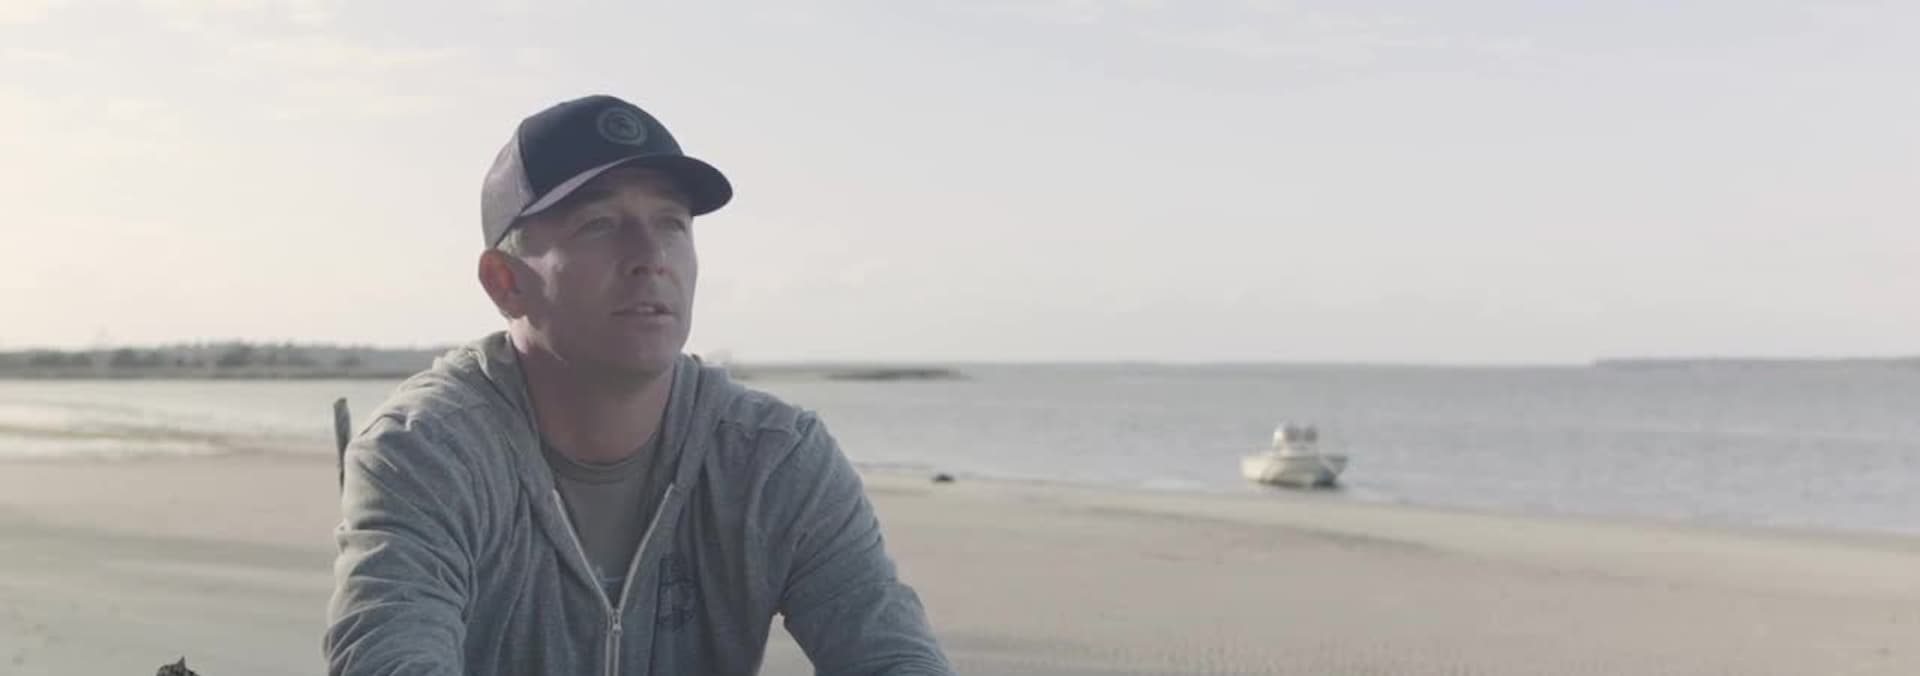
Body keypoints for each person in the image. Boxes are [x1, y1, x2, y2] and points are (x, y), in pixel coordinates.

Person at [323, 94, 954, 676]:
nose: (650, 255)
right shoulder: (428, 452)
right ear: (505, 282)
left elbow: (891, 653)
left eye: (672, 223)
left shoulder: (771, 457)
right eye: (599, 223)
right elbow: (387, 658)